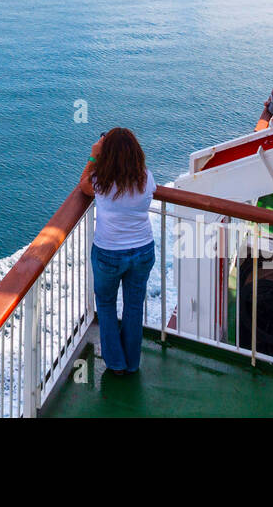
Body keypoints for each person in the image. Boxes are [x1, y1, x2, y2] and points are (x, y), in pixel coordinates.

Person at [78, 127, 156, 377]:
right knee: (134, 306)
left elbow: (83, 186)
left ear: (107, 153)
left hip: (109, 253)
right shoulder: (146, 177)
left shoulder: (101, 182)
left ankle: (116, 364)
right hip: (143, 250)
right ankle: (132, 363)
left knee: (107, 305)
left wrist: (93, 155)